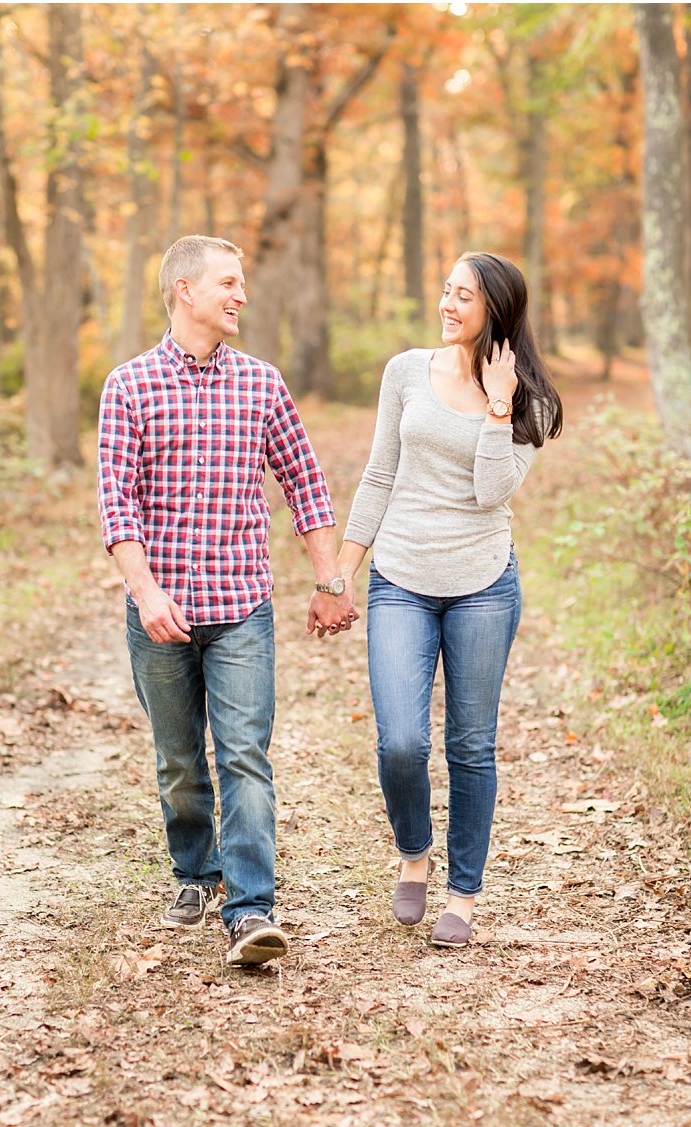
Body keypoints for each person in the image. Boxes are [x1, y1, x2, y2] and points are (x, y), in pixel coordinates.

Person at [97, 235, 357, 968]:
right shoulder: (130, 386)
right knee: (180, 761)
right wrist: (145, 592)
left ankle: (250, 909)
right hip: (162, 614)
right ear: (185, 289)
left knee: (244, 755)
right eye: (228, 283)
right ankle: (194, 871)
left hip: (242, 605)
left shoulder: (262, 384)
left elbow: (305, 481)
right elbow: (117, 506)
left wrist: (329, 577)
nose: (241, 295)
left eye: (241, 284)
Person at [337, 251, 563, 948]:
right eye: (445, 290)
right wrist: (342, 569)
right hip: (401, 576)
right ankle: (414, 851)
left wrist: (498, 405)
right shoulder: (406, 371)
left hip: (483, 585)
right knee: (401, 740)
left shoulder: (532, 401)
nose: (448, 304)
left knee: (470, 745)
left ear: (495, 309)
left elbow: (491, 491)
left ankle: (462, 894)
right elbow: (380, 472)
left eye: (463, 296)